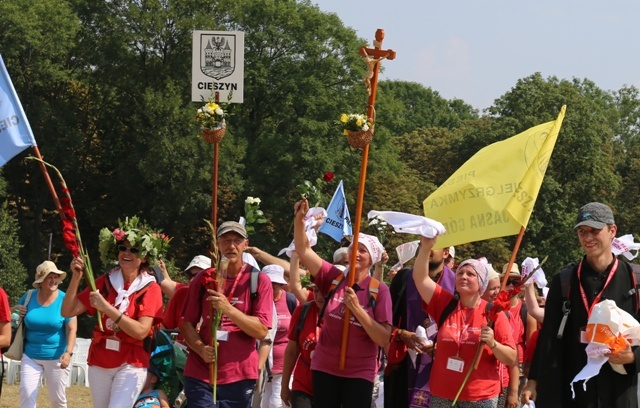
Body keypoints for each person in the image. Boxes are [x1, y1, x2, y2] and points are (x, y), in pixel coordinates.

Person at [522, 202, 640, 407]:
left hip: (618, 391)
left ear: (612, 230)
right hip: (574, 391)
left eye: (595, 230)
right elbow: (548, 335)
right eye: (582, 231)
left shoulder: (635, 279)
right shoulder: (565, 280)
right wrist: (533, 380)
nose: (587, 238)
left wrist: (633, 357)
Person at [293, 197, 392, 408]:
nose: (355, 253)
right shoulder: (332, 277)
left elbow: (384, 339)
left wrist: (357, 308)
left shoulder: (379, 291)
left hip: (360, 373)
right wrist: (300, 221)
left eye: (362, 250)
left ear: (372, 258)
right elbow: (303, 250)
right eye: (352, 248)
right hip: (325, 368)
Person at [62, 217, 166, 408]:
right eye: (123, 248)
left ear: (144, 257)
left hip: (132, 361)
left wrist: (107, 308)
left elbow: (142, 331)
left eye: (134, 250)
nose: (127, 253)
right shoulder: (105, 281)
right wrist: (76, 278)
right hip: (101, 359)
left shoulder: (151, 288)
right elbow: (67, 310)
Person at [413, 236, 517, 407]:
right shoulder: (445, 304)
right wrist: (425, 248)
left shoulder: (494, 312)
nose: (463, 276)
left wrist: (493, 344)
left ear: (482, 282)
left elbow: (511, 358)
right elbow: (421, 279)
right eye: (460, 273)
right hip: (442, 394)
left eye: (470, 274)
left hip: (480, 397)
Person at [180, 221, 273, 408]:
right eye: (226, 240)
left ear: (246, 245)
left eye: (237, 241)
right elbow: (185, 323)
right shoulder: (203, 278)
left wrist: (228, 308)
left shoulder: (259, 279)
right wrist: (200, 348)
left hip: (239, 374)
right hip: (201, 371)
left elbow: (262, 331)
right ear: (218, 244)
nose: (231, 246)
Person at [384, 245, 455, 408]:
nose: (427, 248)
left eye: (432, 246)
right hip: (403, 364)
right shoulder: (403, 278)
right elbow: (385, 322)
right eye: (423, 245)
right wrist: (401, 334)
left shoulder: (456, 285)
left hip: (440, 369)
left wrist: (443, 346)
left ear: (445, 253)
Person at [13, 261, 77, 408]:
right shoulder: (29, 296)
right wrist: (15, 309)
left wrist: (68, 353)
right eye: (50, 277)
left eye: (56, 277)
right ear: (40, 282)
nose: (54, 280)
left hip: (57, 357)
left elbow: (72, 329)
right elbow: (11, 317)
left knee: (57, 400)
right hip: (30, 355)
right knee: (26, 393)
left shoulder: (64, 299)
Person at [281, 282, 325, 408]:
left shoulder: (342, 315)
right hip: (303, 384)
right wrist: (284, 387)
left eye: (323, 291)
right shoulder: (303, 311)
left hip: (330, 385)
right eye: (316, 290)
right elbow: (291, 351)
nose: (319, 296)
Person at [482, 265, 519, 408]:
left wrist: (513, 392)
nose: (497, 292)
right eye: (492, 288)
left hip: (500, 385)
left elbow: (513, 357)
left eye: (498, 287)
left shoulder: (503, 315)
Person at [261, 264, 297, 408]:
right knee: (263, 404)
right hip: (263, 367)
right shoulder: (256, 301)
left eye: (275, 285)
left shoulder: (291, 301)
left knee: (277, 404)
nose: (271, 288)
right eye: (267, 284)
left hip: (284, 365)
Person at [162, 255, 211, 333]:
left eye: (198, 276)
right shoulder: (181, 294)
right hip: (179, 344)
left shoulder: (218, 299)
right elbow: (164, 328)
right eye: (189, 275)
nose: (192, 280)